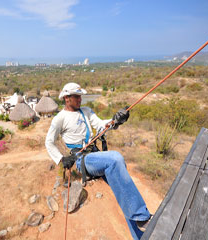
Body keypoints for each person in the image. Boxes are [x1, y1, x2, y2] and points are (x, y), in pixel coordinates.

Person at [45, 82, 151, 239]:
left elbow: (101, 125)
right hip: (83, 160)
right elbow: (49, 141)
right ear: (67, 98)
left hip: (95, 155)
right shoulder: (60, 119)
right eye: (76, 96)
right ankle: (141, 217)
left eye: (80, 96)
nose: (80, 99)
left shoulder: (86, 111)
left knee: (123, 192)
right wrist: (61, 159)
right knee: (115, 158)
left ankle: (141, 234)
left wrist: (116, 121)